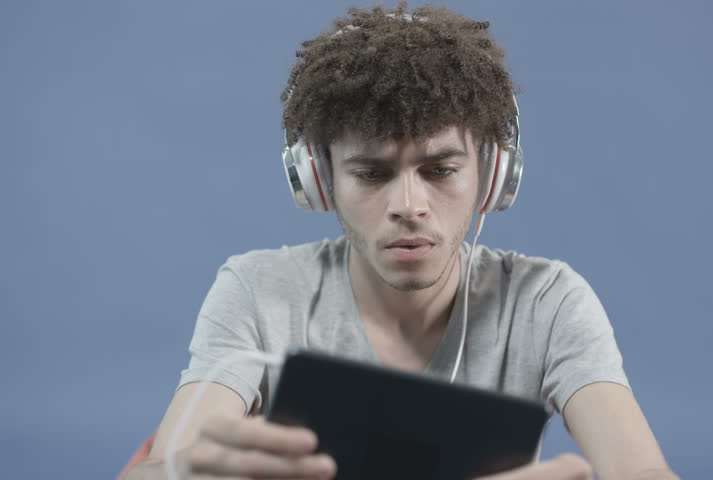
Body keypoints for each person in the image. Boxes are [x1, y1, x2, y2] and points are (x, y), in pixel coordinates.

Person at [125, 3, 680, 480]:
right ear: (320, 182)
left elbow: (643, 471)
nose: (408, 206)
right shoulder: (257, 290)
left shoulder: (546, 302)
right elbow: (164, 466)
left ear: (491, 177)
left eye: (440, 170)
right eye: (371, 174)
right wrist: (185, 470)